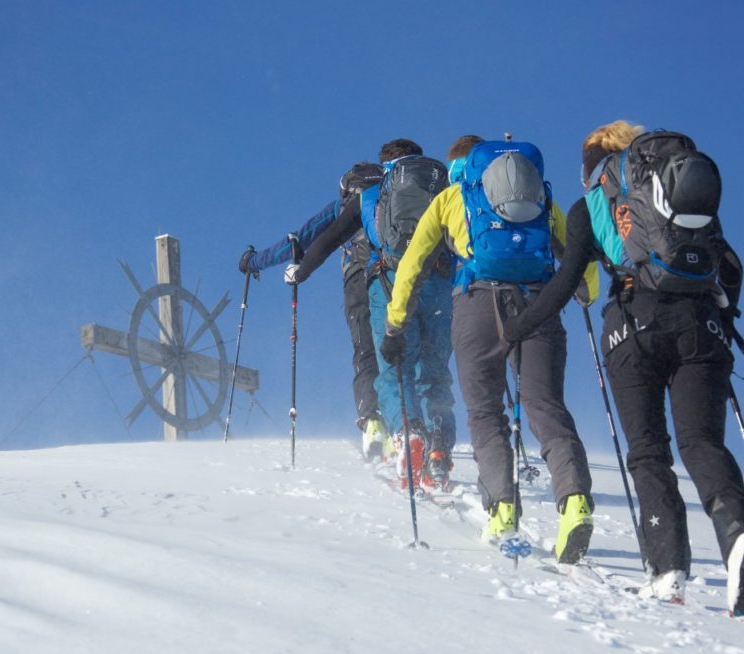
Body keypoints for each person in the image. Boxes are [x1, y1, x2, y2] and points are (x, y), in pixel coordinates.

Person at [503, 120, 744, 613]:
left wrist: (520, 329)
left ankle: (667, 569)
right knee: (703, 444)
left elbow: (565, 281)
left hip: (633, 326)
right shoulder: (680, 191)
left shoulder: (591, 206)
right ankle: (740, 536)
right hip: (702, 327)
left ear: (594, 163)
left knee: (649, 452)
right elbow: (730, 267)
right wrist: (724, 316)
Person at [381, 134, 598, 564]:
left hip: (477, 304)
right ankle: (574, 501)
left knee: (484, 411)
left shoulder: (449, 198)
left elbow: (413, 263)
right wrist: (585, 291)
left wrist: (395, 322)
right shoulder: (534, 190)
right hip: (539, 301)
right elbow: (576, 246)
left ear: (458, 165)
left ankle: (501, 509)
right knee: (545, 403)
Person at [287, 139, 457, 490]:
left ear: (386, 166)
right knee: (435, 370)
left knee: (395, 368)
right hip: (440, 284)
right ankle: (439, 447)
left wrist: (301, 272)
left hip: (391, 284)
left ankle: (409, 436)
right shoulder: (445, 191)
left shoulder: (372, 196)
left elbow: (330, 239)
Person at [238, 162, 391, 460]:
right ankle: (415, 426)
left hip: (359, 279)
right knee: (401, 348)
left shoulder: (343, 207)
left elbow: (298, 242)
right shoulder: (394, 198)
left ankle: (374, 423)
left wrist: (253, 262)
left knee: (365, 350)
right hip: (399, 277)